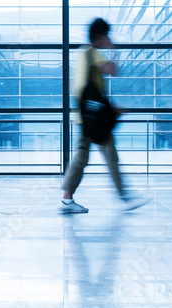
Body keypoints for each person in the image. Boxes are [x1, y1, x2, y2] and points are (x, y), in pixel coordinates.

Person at [59, 18, 146, 214]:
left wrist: (108, 107)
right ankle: (124, 198)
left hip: (85, 116)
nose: (108, 37)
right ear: (101, 35)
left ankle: (66, 200)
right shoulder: (92, 53)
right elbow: (113, 71)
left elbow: (89, 90)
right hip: (94, 119)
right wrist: (113, 50)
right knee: (110, 156)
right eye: (106, 34)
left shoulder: (82, 53)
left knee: (81, 159)